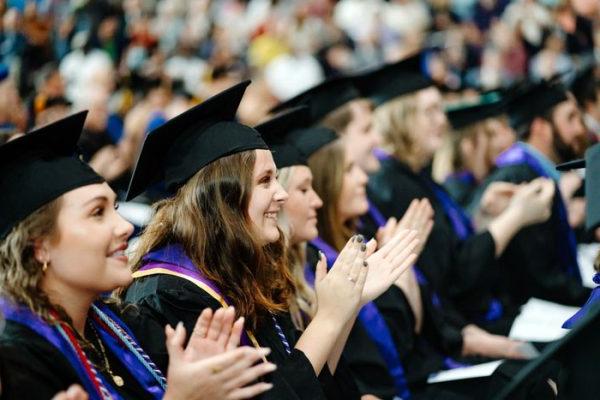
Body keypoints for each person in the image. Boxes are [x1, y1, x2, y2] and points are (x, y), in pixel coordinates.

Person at [123, 81, 399, 399]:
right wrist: (330, 316)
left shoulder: (242, 266)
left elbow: (307, 379)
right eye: (266, 180)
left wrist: (344, 307)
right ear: (221, 198)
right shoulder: (169, 294)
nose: (280, 194)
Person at [0, 112, 276, 400]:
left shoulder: (126, 325)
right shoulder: (16, 364)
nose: (125, 227)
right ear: (40, 246)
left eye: (115, 209)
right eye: (97, 213)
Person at [361, 53, 557, 331]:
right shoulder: (392, 186)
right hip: (465, 329)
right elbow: (455, 279)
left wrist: (485, 217)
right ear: (400, 118)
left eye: (440, 109)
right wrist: (515, 217)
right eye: (430, 111)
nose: (443, 121)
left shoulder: (416, 175)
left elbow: (451, 249)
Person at [470, 79, 591, 307]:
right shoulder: (519, 179)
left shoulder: (533, 170)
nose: (580, 128)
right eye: (570, 118)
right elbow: (539, 278)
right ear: (540, 128)